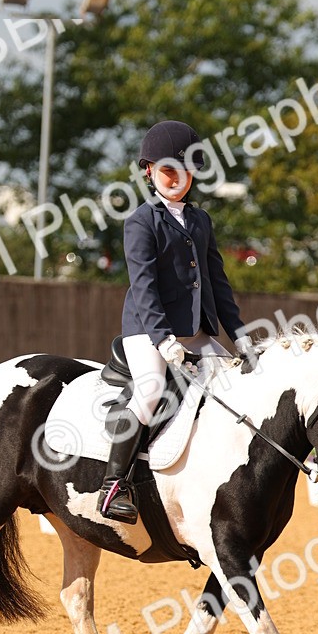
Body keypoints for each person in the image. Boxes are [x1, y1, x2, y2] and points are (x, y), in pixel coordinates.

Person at [97, 119, 257, 524]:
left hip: (196, 331)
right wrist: (163, 337)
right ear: (149, 171)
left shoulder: (200, 220)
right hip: (148, 331)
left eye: (186, 171)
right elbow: (144, 285)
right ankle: (114, 484)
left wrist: (240, 337)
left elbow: (218, 282)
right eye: (169, 170)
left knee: (240, 383)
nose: (177, 179)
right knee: (150, 393)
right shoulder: (141, 221)